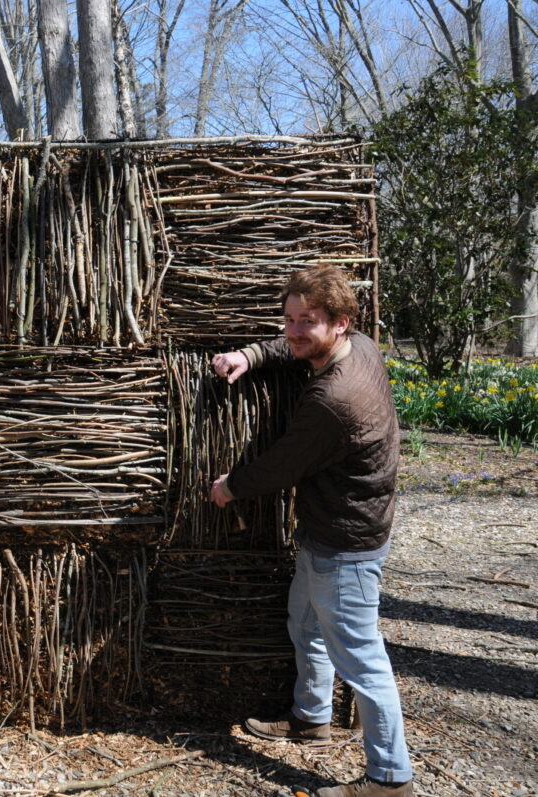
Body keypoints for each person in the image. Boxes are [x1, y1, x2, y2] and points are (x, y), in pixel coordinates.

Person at [208, 264, 413, 797]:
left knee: (362, 661)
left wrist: (231, 487)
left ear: (340, 322)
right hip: (333, 530)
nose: (295, 331)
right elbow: (295, 348)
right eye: (290, 319)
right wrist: (249, 356)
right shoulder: (359, 346)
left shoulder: (334, 399)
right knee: (306, 624)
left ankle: (391, 782)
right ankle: (310, 719)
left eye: (309, 321)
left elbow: (282, 464)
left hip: (345, 543)